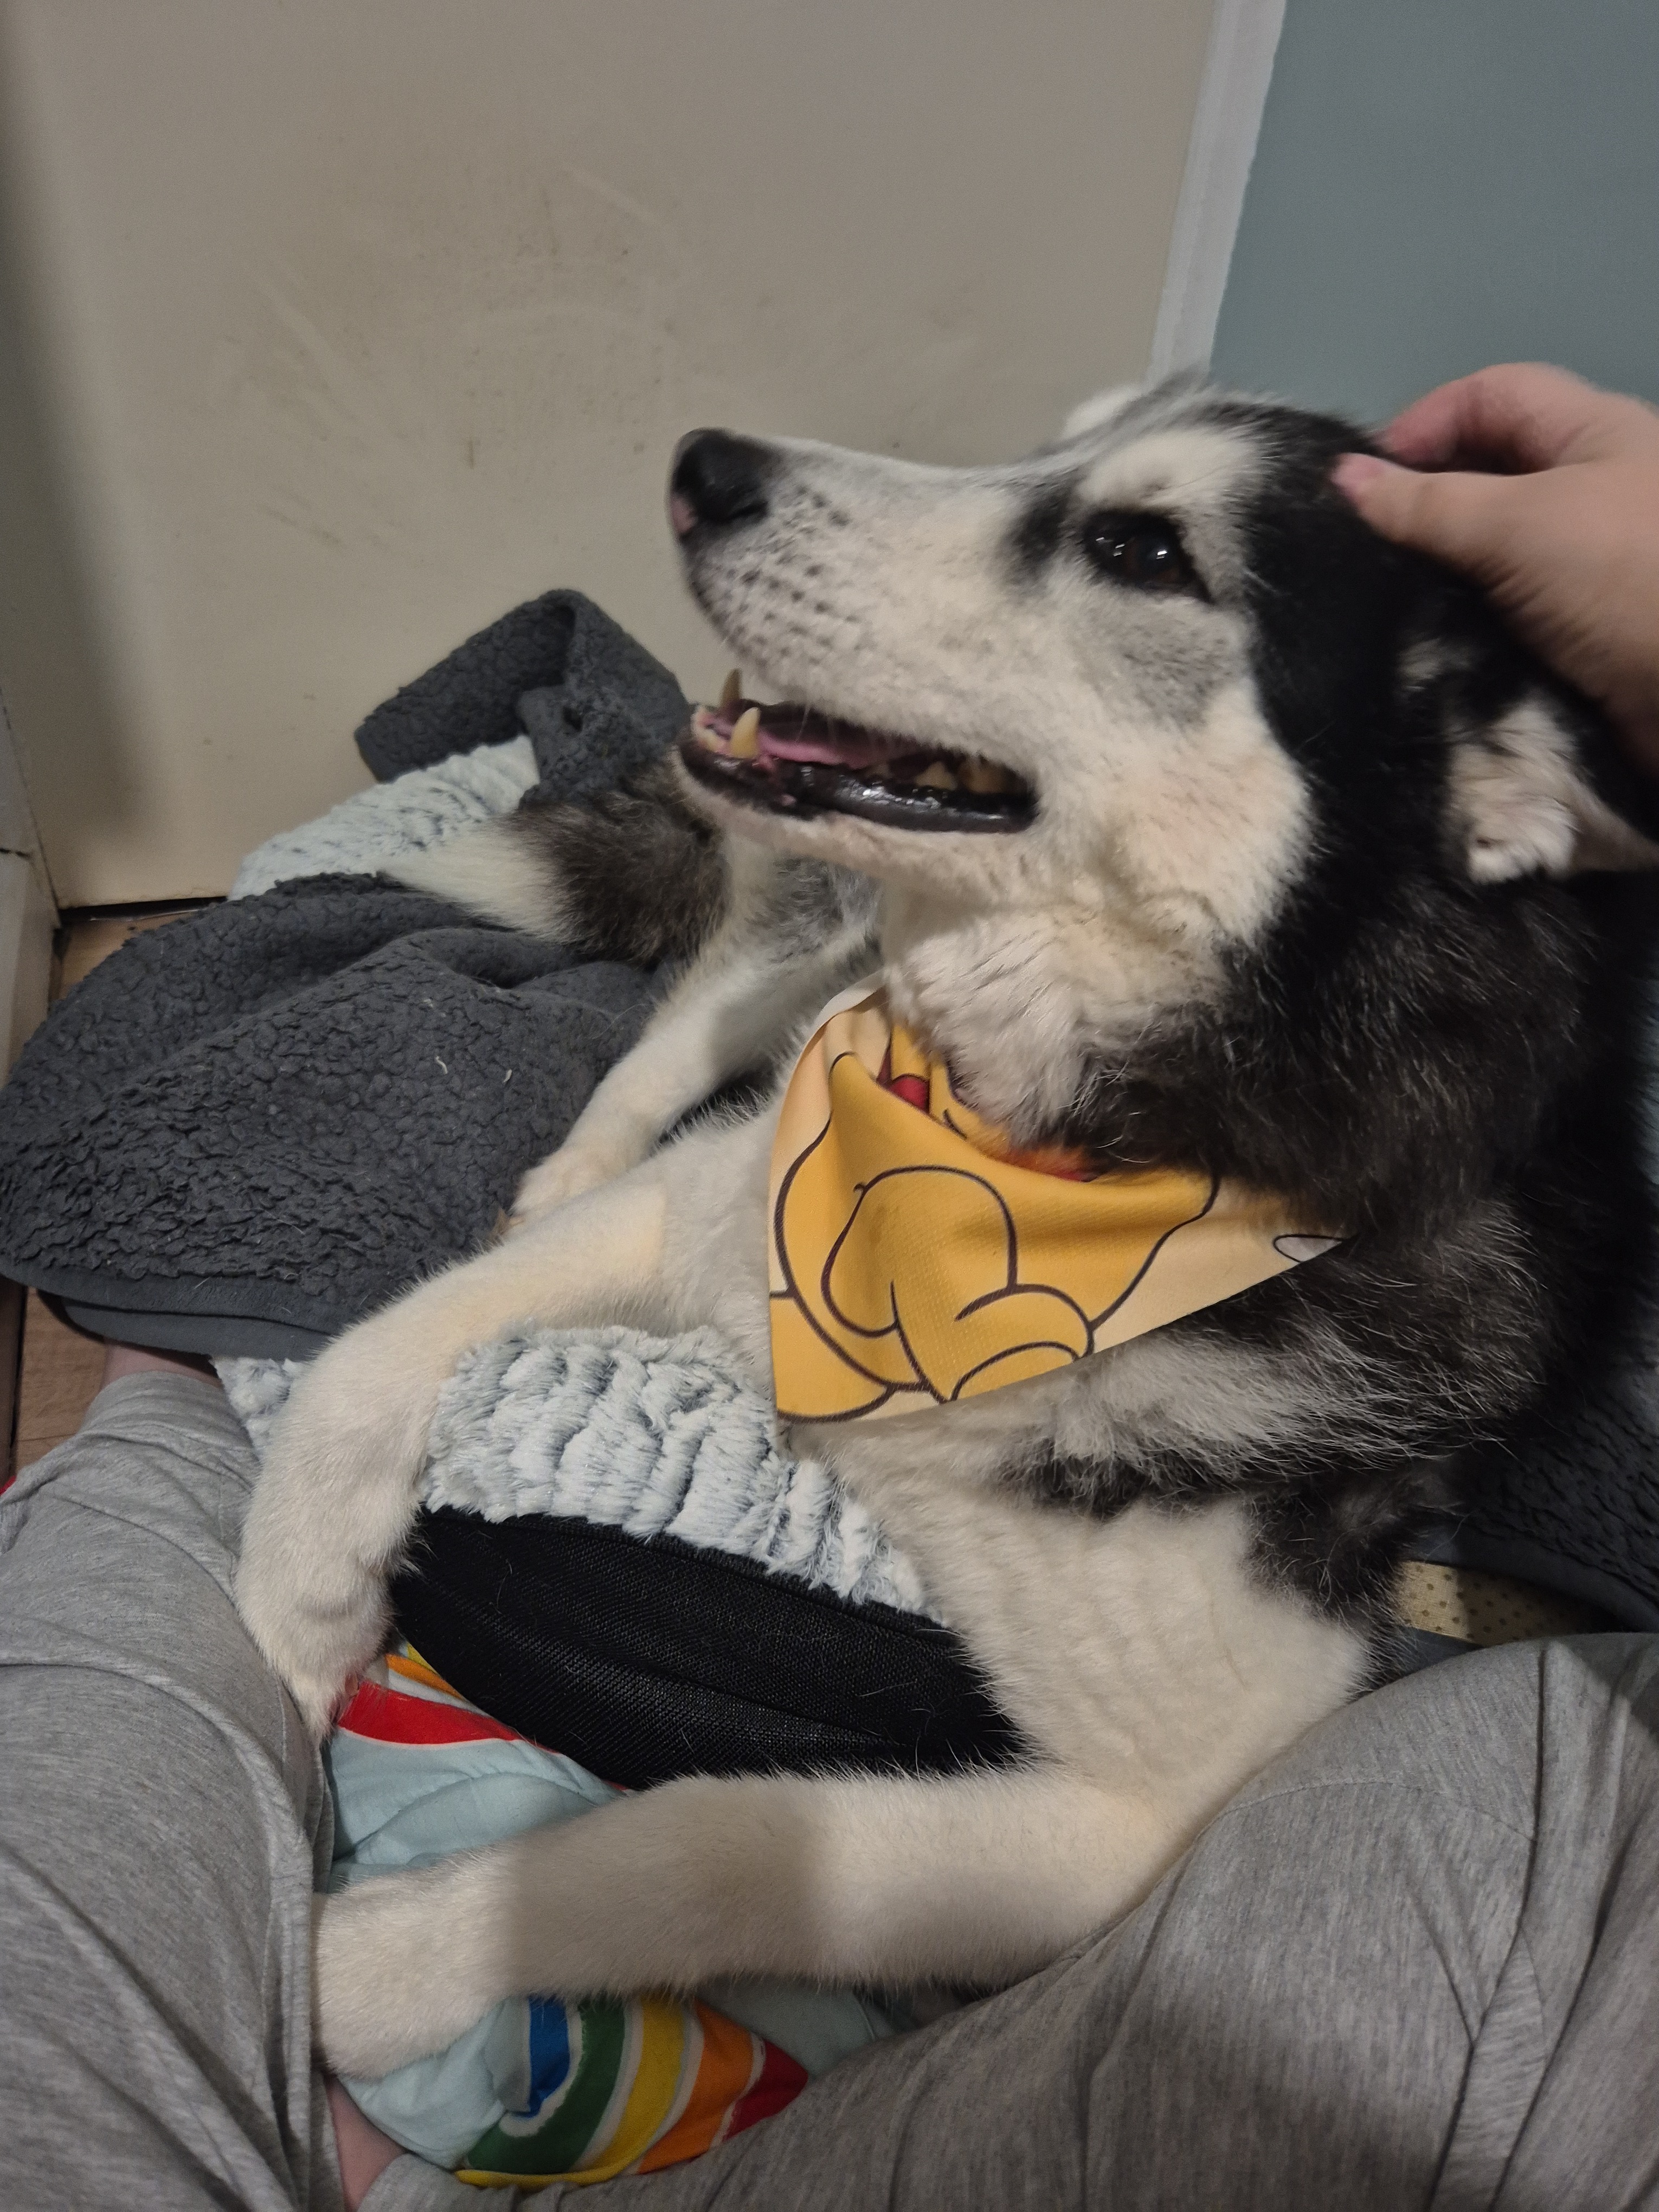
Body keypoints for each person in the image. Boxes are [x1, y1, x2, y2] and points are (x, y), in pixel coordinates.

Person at [4, 364, 1658, 2212]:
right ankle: (567, 1102)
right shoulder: (893, 1082)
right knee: (758, 979)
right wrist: (368, 1399)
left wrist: (533, 1916)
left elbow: (1145, 1822)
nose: (800, 490)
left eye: (1136, 552)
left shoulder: (1312, 1318)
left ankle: (158, 1420)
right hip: (976, 1028)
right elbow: (673, 1226)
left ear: (1472, 800)